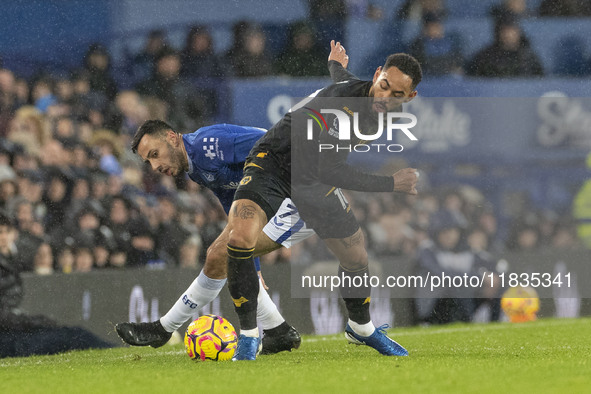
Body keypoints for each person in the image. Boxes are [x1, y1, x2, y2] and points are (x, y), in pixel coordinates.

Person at [116, 42, 355, 354]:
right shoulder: (195, 167)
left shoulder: (210, 146)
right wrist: (252, 266)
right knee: (224, 253)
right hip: (281, 197)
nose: (155, 165)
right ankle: (278, 331)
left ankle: (165, 329)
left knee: (222, 253)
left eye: (155, 154)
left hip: (302, 195)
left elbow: (272, 144)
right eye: (148, 162)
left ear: (173, 137)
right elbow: (237, 209)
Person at [225, 40, 421, 360]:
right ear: (376, 75)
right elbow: (332, 172)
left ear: (409, 96)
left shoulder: (359, 90)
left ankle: (361, 328)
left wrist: (335, 62)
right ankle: (249, 336)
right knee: (239, 238)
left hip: (311, 178)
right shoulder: (343, 109)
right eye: (383, 86)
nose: (386, 97)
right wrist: (392, 183)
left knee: (356, 255)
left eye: (396, 94)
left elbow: (341, 77)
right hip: (273, 162)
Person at [0, 212, 113, 357]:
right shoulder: (9, 263)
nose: (3, 237)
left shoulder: (11, 260)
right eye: (0, 232)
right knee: (73, 336)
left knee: (73, 333)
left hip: (12, 331)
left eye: (5, 232)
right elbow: (3, 317)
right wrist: (34, 322)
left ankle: (114, 349)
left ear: (12, 234)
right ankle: (115, 350)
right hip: (7, 338)